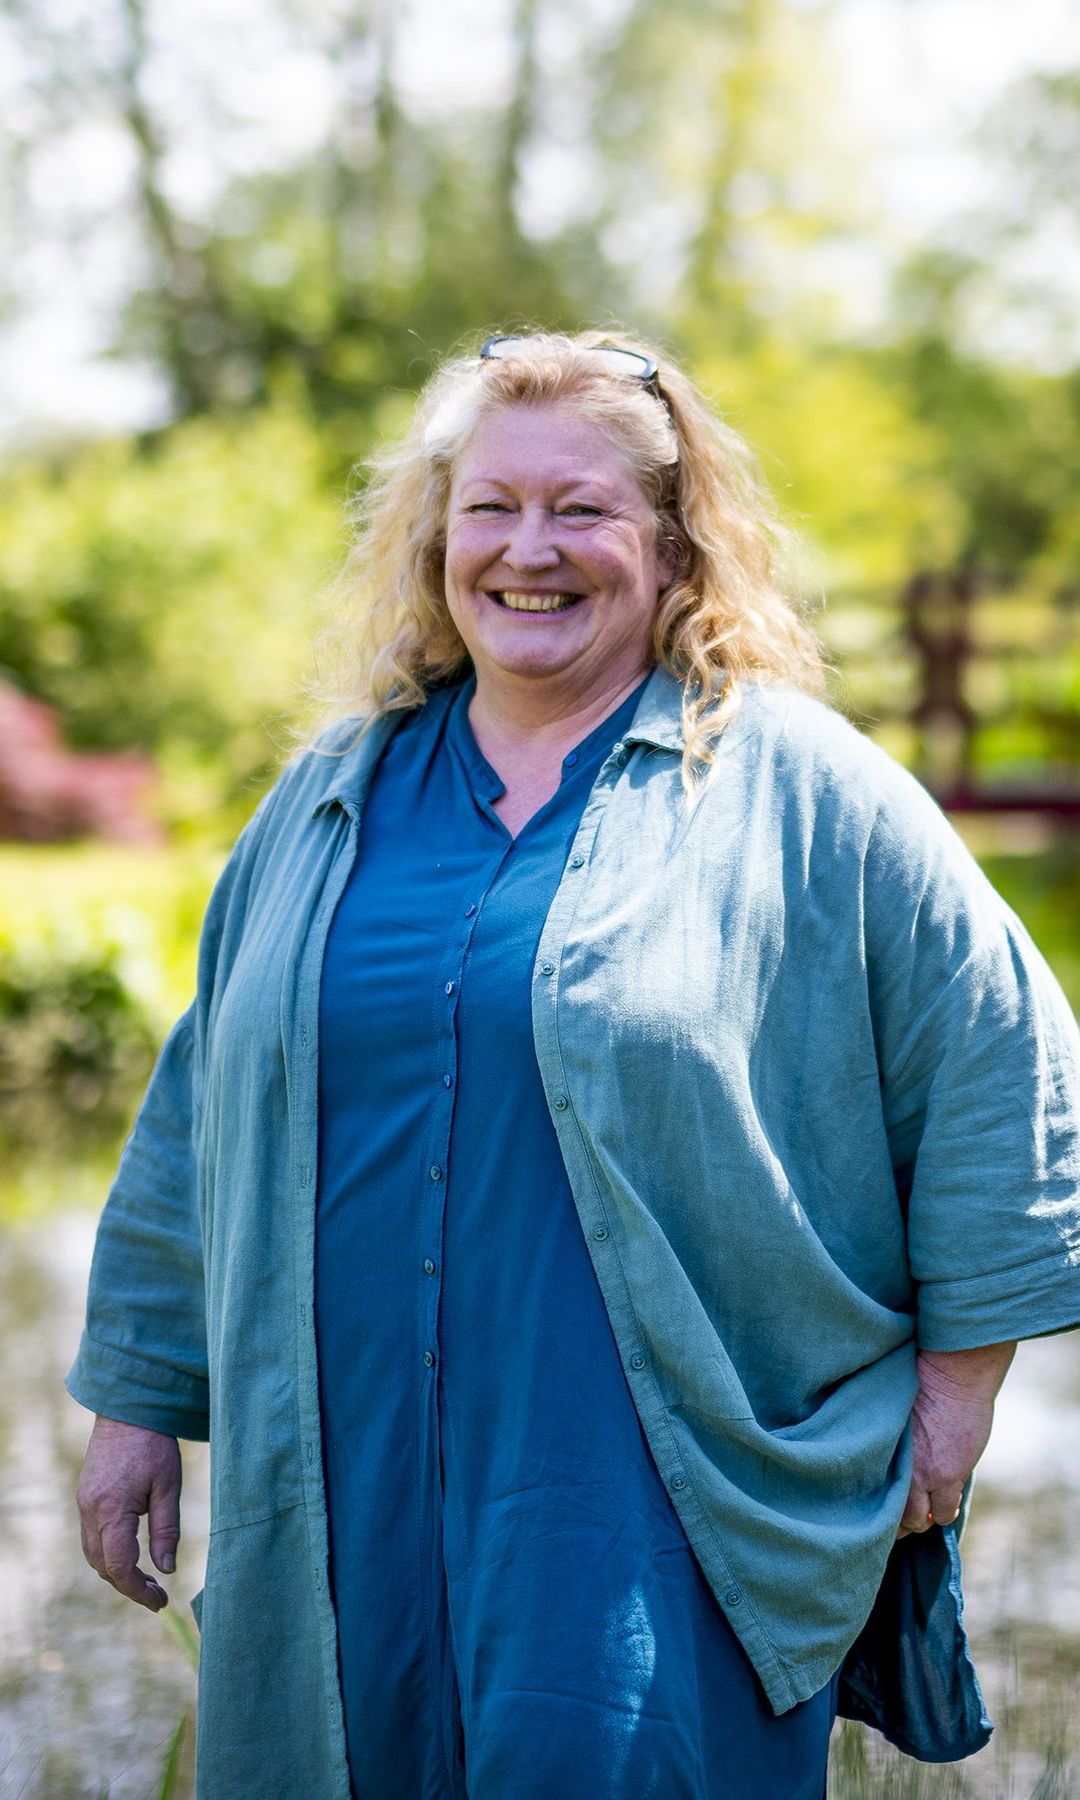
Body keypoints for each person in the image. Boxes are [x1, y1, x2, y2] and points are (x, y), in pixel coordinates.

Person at [69, 329, 1080, 1800]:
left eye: (581, 510)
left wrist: (957, 1393)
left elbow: (1004, 1065)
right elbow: (205, 1109)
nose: (527, 551)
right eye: (490, 507)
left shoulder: (798, 790)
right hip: (339, 1485)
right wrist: (138, 1401)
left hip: (637, 1510)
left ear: (673, 549)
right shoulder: (326, 802)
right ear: (435, 539)